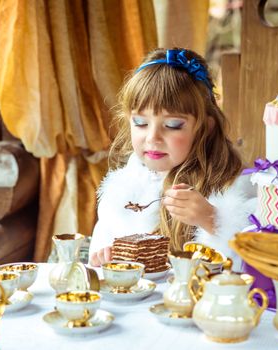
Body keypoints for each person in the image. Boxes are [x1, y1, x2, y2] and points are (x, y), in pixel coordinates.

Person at [88, 48, 256, 269]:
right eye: (140, 123)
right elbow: (100, 249)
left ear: (205, 126)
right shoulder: (124, 189)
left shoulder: (233, 187)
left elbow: (251, 270)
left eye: (173, 125)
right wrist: (107, 260)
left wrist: (213, 220)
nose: (153, 138)